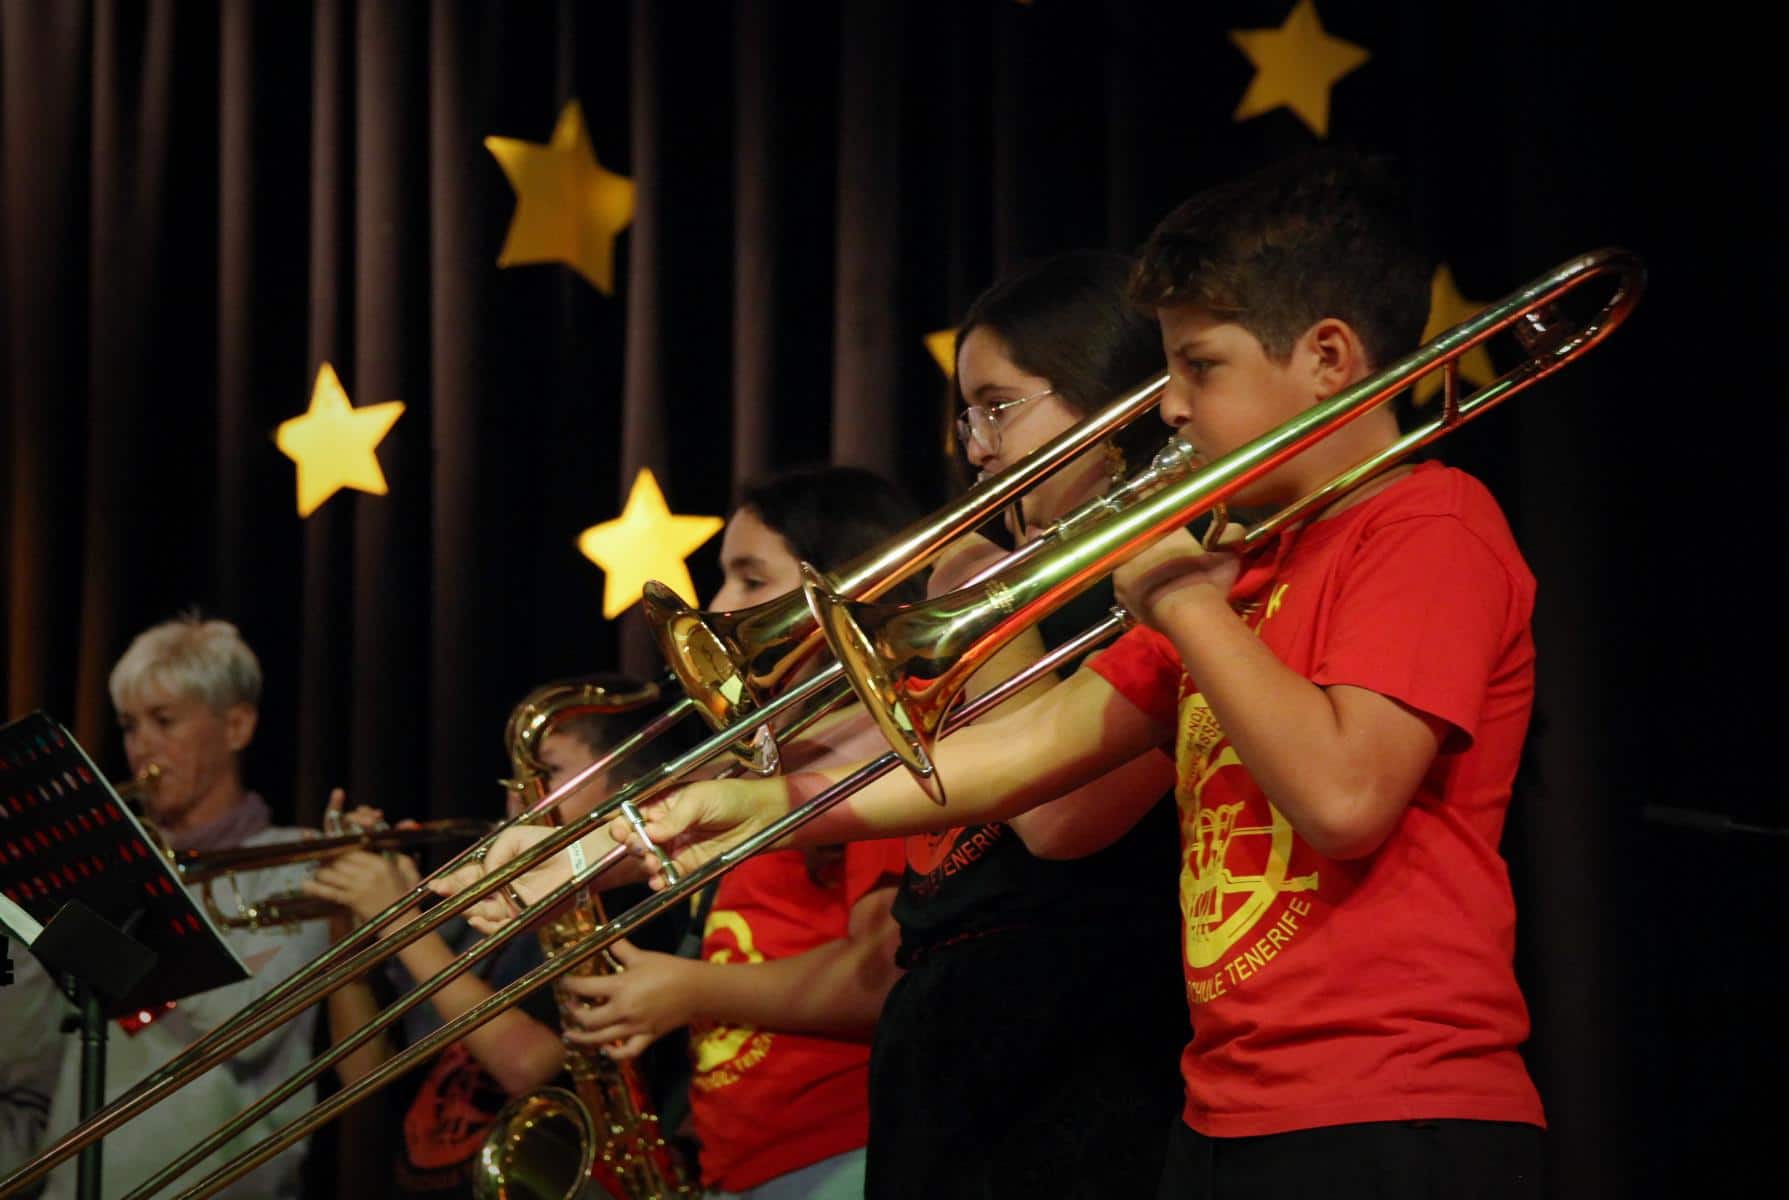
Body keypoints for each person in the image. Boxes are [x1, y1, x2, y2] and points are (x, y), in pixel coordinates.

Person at [601, 148, 1549, 1198]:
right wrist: (771, 806)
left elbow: (1344, 798)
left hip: (1394, 1105)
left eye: (1199, 367)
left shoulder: (1428, 522)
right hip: (1225, 1109)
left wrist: (1182, 602)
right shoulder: (1242, 566)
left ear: (1327, 356)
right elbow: (1027, 755)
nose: (1169, 407)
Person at [456, 466, 918, 1199]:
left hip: (839, 1149)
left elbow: (884, 975)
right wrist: (551, 865)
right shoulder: (764, 757)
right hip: (745, 1161)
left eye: (750, 580)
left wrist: (691, 989)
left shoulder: (871, 765)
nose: (716, 607)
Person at [303, 672, 684, 1199]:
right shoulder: (474, 915)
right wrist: (349, 920)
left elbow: (529, 1063)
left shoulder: (629, 901)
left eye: (548, 772)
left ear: (624, 789)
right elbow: (363, 1074)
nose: (519, 795)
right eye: (516, 777)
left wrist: (398, 922)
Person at [39, 615, 327, 1200]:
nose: (141, 746)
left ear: (237, 726)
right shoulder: (114, 866)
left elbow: (246, 1029)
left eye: (164, 721)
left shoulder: (298, 863)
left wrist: (138, 895)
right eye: (130, 726)